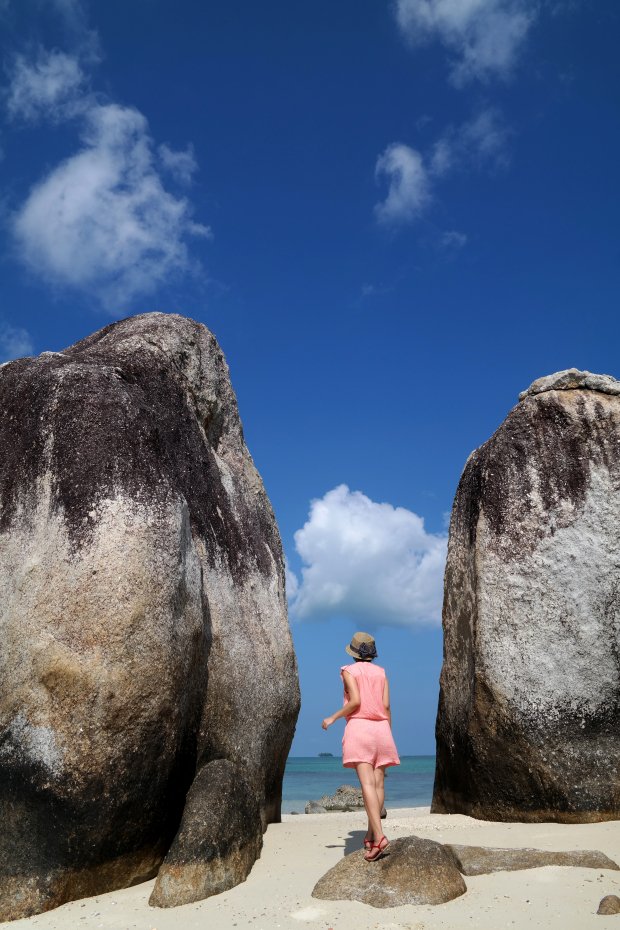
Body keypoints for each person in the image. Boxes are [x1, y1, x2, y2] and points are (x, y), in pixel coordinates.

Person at [321, 631, 400, 861]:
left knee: (366, 784)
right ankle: (371, 836)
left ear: (354, 653)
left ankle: (381, 837)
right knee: (378, 785)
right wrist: (388, 735)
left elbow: (356, 701)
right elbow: (386, 706)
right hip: (382, 730)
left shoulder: (348, 670)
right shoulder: (382, 673)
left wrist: (332, 718)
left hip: (360, 728)